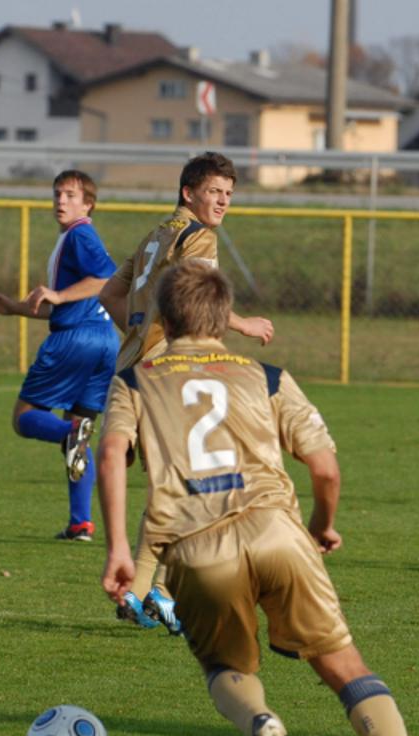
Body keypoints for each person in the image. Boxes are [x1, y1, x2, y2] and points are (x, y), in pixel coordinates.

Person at [96, 261, 419, 736]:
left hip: (194, 545)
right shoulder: (269, 376)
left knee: (224, 668)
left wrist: (119, 547)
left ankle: (260, 720)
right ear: (222, 318)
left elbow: (112, 453)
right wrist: (322, 524)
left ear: (164, 315)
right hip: (277, 531)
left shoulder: (135, 379)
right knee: (343, 665)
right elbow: (325, 468)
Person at [98, 151, 274, 630]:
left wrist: (138, 333)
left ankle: (148, 592)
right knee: (200, 483)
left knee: (174, 486)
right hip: (168, 374)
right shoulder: (199, 237)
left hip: (131, 369)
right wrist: (243, 323)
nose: (222, 202)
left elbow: (109, 295)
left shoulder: (157, 234)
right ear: (188, 192)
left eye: (228, 194)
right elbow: (197, 294)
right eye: (214, 192)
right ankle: (157, 591)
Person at [0, 170, 119, 542]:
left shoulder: (81, 234)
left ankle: (70, 432)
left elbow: (106, 279)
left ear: (88, 204)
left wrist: (57, 295)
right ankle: (81, 523)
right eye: (57, 194)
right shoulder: (72, 238)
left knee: (25, 419)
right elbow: (62, 304)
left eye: (71, 195)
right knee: (79, 440)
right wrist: (15, 307)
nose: (61, 201)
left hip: (75, 340)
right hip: (104, 340)